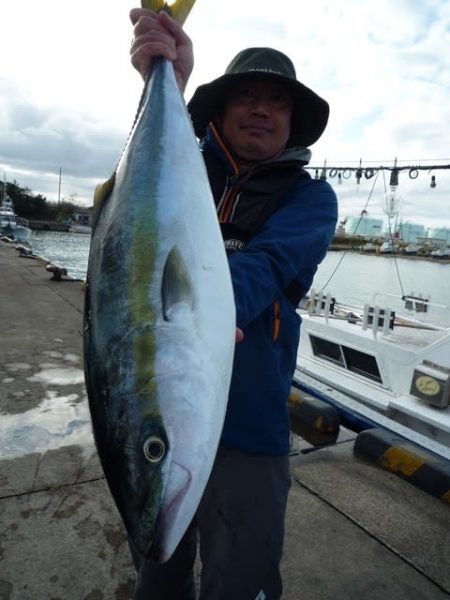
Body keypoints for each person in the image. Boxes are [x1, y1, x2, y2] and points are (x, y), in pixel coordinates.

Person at [129, 8, 338, 600]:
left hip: (251, 425)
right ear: (218, 109)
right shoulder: (182, 167)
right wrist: (166, 77)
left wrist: (207, 321)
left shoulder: (311, 200)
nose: (262, 109)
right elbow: (138, 222)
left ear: (292, 122)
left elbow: (269, 264)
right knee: (159, 571)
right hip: (168, 410)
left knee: (241, 582)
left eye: (278, 101)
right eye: (246, 95)